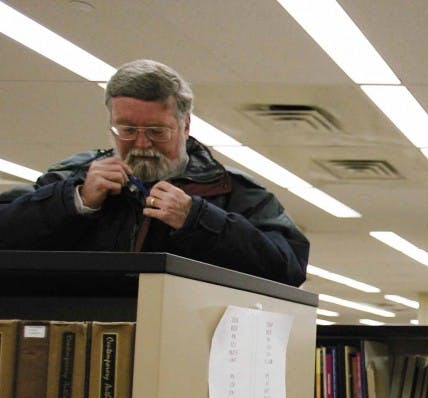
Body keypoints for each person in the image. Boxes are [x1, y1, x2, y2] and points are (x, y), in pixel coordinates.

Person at [0, 59, 309, 286]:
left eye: (157, 131)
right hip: (79, 343)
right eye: (128, 129)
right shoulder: (71, 177)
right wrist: (75, 201)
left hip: (181, 347)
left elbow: (289, 266)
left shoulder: (232, 190)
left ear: (185, 126)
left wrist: (197, 220)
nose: (142, 143)